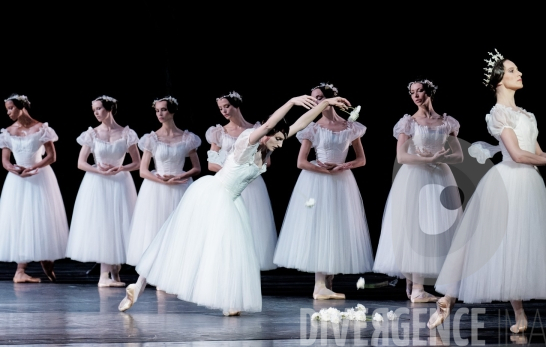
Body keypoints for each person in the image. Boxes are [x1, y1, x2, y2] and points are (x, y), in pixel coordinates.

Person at [118, 94, 351, 316]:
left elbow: (299, 125)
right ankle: (138, 285)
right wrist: (291, 102)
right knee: (180, 240)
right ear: (265, 135)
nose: (279, 145)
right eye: (276, 139)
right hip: (213, 195)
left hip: (230, 201)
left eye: (281, 140)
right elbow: (271, 122)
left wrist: (326, 104)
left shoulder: (263, 151)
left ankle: (227, 301)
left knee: (226, 250)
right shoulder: (247, 143)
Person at [428, 50, 546, 333]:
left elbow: (536, 152)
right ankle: (446, 298)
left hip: (528, 185)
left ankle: (520, 316)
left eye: (517, 70)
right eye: (512, 70)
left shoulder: (526, 114)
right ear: (498, 80)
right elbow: (518, 155)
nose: (519, 74)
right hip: (505, 184)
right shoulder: (498, 113)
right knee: (479, 244)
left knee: (515, 248)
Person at [273, 83, 373, 300]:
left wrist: (343, 166)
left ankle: (328, 282)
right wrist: (323, 170)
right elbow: (300, 162)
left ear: (330, 100)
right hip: (318, 180)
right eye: (313, 98)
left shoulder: (350, 127)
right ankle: (319, 285)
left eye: (318, 98)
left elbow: (361, 159)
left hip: (341, 180)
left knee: (337, 228)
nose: (315, 102)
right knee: (321, 227)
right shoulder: (312, 127)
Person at [372, 79, 463, 302]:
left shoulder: (446, 122)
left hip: (439, 176)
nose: (416, 95)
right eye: (412, 92)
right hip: (415, 177)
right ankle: (417, 288)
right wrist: (428, 158)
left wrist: (442, 157)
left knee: (436, 227)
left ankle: (418, 286)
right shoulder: (408, 123)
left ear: (429, 92)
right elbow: (401, 156)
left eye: (420, 91)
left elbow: (459, 156)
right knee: (416, 228)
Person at [66, 95, 140, 287]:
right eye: (94, 110)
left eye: (99, 109)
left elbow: (137, 162)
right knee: (102, 224)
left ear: (109, 109)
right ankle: (104, 275)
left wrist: (121, 168)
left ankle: (115, 271)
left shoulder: (127, 133)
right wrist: (97, 169)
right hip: (98, 182)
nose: (96, 113)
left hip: (119, 182)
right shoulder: (91, 134)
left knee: (118, 223)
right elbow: (81, 163)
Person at [0, 94, 69, 282]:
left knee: (41, 218)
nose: (8, 112)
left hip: (39, 177)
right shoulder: (8, 131)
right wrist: (17, 170)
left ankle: (46, 260)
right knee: (19, 220)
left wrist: (33, 167)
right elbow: (5, 161)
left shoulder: (41, 128)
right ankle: (20, 271)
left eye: (11, 108)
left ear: (21, 107)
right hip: (17, 179)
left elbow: (51, 156)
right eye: (7, 109)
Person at [126, 96, 201, 267]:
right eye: (157, 110)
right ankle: (158, 270)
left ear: (172, 111)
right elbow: (143, 170)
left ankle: (175, 270)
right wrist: (163, 181)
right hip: (156, 189)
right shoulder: (151, 139)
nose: (160, 113)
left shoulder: (187, 138)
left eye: (163, 110)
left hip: (180, 187)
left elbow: (196, 168)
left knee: (180, 230)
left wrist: (179, 177)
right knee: (156, 228)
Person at [206, 91, 277, 270]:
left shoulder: (256, 129)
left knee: (253, 225)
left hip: (251, 184)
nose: (224, 111)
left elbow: (266, 161)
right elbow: (211, 164)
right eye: (221, 108)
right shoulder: (219, 132)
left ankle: (249, 272)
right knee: (228, 225)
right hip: (229, 183)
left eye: (227, 106)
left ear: (236, 104)